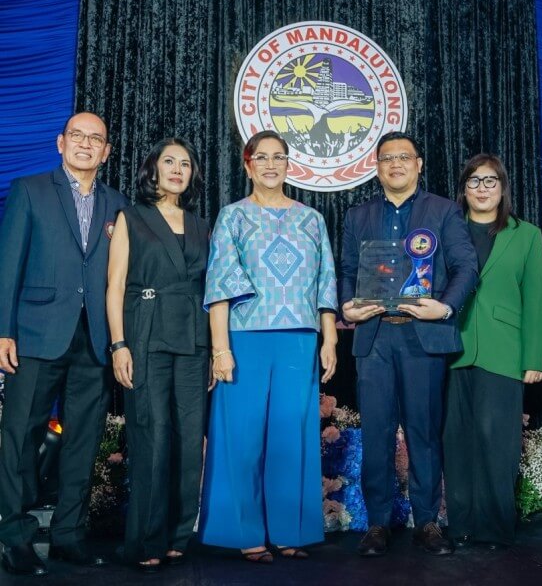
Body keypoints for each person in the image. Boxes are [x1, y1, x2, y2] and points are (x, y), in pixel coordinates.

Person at [198, 130, 338, 562]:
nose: (271, 164)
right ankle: (245, 534)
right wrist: (220, 349)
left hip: (299, 338)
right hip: (245, 338)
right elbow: (219, 287)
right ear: (248, 164)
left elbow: (325, 283)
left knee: (290, 437)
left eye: (279, 157)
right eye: (263, 157)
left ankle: (289, 531)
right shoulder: (233, 217)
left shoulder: (311, 219)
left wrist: (329, 336)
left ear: (288, 164)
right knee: (240, 438)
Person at [340, 131, 478, 557]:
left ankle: (428, 522)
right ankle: (378, 524)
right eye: (386, 158)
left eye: (404, 157)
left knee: (423, 431)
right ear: (376, 167)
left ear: (419, 164)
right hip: (376, 335)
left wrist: (446, 307)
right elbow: (346, 269)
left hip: (423, 337)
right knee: (377, 432)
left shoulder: (444, 210)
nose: (395, 164)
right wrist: (347, 305)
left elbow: (466, 266)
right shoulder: (357, 216)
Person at [0, 112, 127, 576]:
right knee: (20, 435)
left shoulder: (118, 204)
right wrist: (3, 331)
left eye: (96, 138)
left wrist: (119, 340)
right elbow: (8, 263)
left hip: (93, 338)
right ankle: (14, 536)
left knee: (83, 440)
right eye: (78, 136)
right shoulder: (30, 190)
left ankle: (69, 536)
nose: (86, 144)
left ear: (107, 151)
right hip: (35, 333)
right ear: (60, 142)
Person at [106, 138, 209, 571]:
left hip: (193, 339)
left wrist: (215, 349)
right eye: (169, 161)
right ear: (153, 169)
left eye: (185, 164)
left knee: (189, 441)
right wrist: (119, 344)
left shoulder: (203, 225)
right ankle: (145, 540)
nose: (177, 169)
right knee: (153, 435)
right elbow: (114, 286)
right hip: (145, 334)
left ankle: (179, 536)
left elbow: (213, 289)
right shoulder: (131, 217)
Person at [443, 154, 542, 548]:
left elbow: (535, 298)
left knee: (497, 440)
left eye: (490, 181)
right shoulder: (447, 231)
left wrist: (533, 357)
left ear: (502, 188)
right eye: (474, 181)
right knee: (457, 439)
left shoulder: (527, 234)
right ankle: (461, 524)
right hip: (452, 348)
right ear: (463, 189)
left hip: (504, 349)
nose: (482, 188)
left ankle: (495, 526)